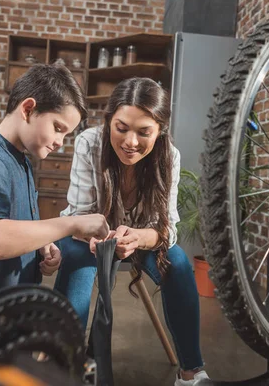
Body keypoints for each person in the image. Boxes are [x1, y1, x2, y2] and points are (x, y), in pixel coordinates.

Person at [54, 77, 209, 385]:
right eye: (121, 128)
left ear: (160, 130)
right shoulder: (90, 142)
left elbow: (167, 229)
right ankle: (63, 366)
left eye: (144, 132)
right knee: (75, 258)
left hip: (140, 240)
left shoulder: (170, 157)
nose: (131, 142)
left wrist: (139, 237)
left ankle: (191, 371)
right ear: (109, 120)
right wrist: (101, 237)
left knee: (177, 264)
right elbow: (78, 216)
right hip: (87, 237)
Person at [0, 64, 109, 330]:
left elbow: (11, 226)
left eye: (66, 134)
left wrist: (42, 246)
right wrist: (72, 224)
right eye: (58, 127)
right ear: (28, 109)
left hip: (9, 322)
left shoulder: (20, 162)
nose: (59, 142)